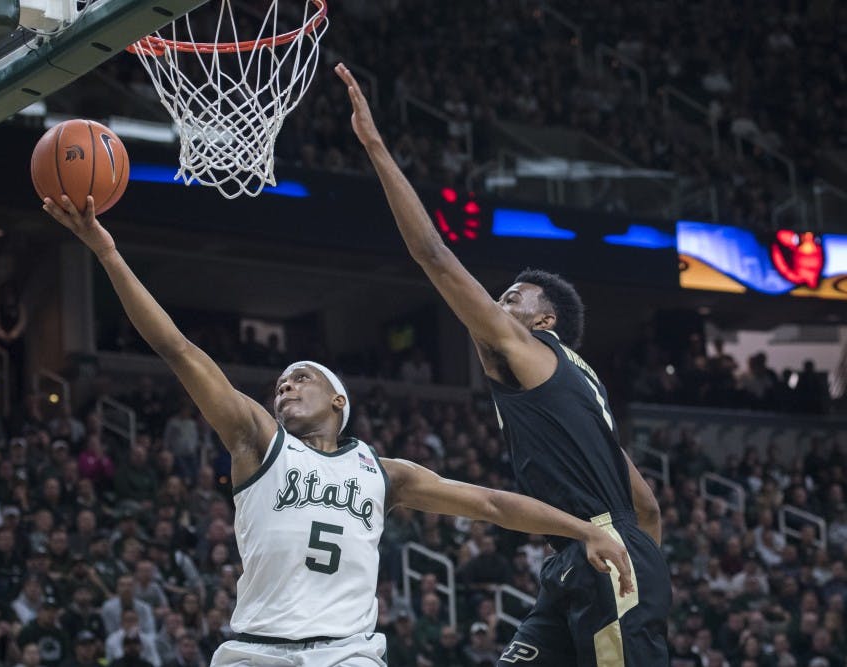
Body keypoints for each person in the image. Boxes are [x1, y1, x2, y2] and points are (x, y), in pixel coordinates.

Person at [42, 194, 634, 667]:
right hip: (256, 650)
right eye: (280, 384)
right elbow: (176, 348)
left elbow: (488, 502)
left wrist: (582, 529)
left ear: (338, 400)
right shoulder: (257, 442)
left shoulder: (383, 472)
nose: (285, 387)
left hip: (346, 654)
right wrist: (108, 253)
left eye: (300, 378)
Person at [335, 62, 670, 666]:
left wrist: (377, 146)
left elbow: (433, 255)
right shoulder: (581, 392)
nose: (497, 303)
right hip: (579, 554)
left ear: (545, 325)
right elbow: (647, 505)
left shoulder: (531, 353)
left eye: (513, 299)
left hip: (603, 551)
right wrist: (647, 570)